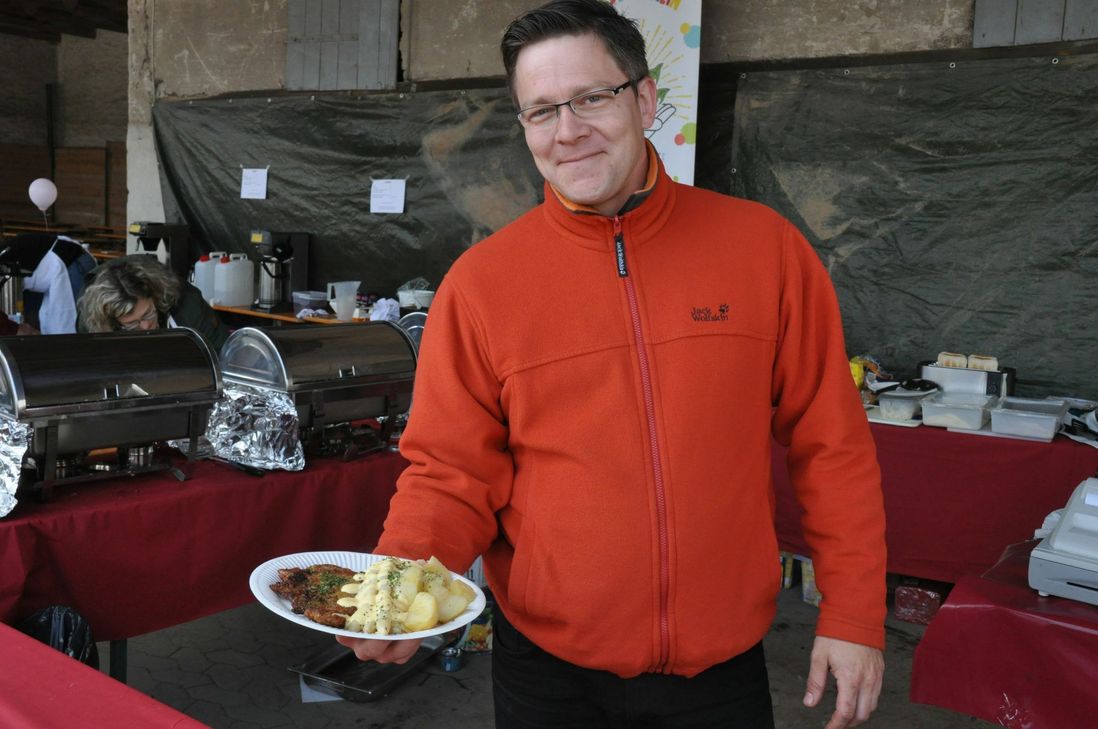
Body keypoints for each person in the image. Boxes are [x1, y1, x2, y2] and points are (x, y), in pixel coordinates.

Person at [340, 2, 886, 727]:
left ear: (645, 100)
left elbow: (833, 446)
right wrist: (392, 591)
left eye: (592, 97)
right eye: (541, 111)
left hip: (718, 671)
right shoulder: (480, 286)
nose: (568, 131)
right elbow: (449, 472)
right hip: (548, 675)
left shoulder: (766, 251)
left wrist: (854, 614)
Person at [77, 255, 230, 352]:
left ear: (156, 298)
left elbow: (218, 351)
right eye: (131, 323)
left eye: (148, 314)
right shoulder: (93, 322)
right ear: (113, 321)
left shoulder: (186, 303)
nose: (145, 326)